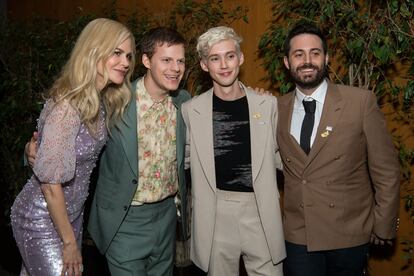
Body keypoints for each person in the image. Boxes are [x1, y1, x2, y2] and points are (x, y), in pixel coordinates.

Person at [11, 18, 135, 276]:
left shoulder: (99, 101)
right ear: (93, 51)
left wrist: (33, 148)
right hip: (41, 217)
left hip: (70, 217)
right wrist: (69, 243)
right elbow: (50, 184)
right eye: (116, 53)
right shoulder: (68, 106)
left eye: (128, 55)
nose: (125, 62)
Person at [277, 21, 400, 276]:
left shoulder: (360, 102)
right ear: (287, 62)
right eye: (298, 54)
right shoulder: (274, 108)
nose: (307, 61)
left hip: (349, 234)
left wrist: (384, 225)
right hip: (299, 235)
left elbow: (386, 170)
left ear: (326, 58)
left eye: (315, 53)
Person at [181, 26, 286, 276]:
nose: (224, 64)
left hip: (261, 210)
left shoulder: (268, 104)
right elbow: (182, 162)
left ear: (240, 58)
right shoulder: (190, 110)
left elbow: (284, 158)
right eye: (215, 58)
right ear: (205, 65)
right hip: (215, 213)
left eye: (229, 55)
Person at [86, 26, 190, 276]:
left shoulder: (184, 102)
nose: (175, 68)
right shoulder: (115, 101)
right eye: (166, 60)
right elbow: (72, 137)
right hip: (125, 220)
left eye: (180, 61)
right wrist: (32, 151)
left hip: (167, 218)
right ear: (146, 60)